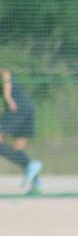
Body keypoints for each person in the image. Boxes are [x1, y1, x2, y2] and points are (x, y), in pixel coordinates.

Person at [0, 64, 43, 193]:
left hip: (16, 107)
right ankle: (36, 185)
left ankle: (30, 164)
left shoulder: (5, 75)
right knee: (18, 150)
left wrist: (8, 97)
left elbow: (5, 72)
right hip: (27, 107)